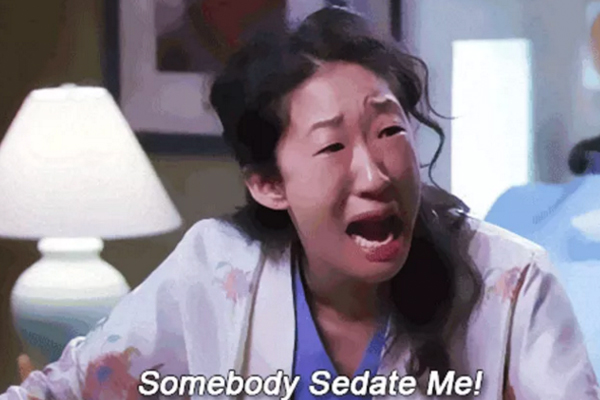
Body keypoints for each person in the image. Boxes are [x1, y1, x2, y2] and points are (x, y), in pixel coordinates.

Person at [3, 6, 599, 400]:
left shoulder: (510, 283)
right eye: (332, 145)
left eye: (390, 131)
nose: (374, 173)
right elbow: (63, 390)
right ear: (269, 184)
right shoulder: (216, 269)